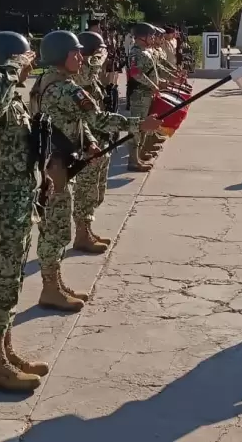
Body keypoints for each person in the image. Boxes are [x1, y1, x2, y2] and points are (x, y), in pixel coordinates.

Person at [30, 31, 162, 311]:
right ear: (59, 56)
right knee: (55, 231)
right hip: (57, 167)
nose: (81, 57)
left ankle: (55, 284)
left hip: (54, 160)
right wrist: (140, 124)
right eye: (74, 53)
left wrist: (88, 142)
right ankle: (50, 289)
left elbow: (76, 123)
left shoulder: (47, 81)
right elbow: (98, 117)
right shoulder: (66, 88)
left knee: (56, 226)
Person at [0, 31, 47, 392]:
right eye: (25, 58)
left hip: (17, 202)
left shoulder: (12, 99)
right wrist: (14, 64)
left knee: (12, 284)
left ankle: (5, 352)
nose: (31, 64)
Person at [72, 31, 115, 253]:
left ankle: (86, 228)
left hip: (98, 136)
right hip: (85, 140)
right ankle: (81, 233)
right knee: (85, 189)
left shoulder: (89, 70)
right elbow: (90, 73)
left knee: (96, 190)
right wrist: (100, 55)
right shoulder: (80, 72)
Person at [125, 22, 166, 171]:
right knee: (137, 127)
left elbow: (154, 70)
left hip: (147, 94)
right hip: (139, 95)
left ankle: (139, 156)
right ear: (143, 37)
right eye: (151, 35)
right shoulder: (136, 53)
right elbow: (136, 73)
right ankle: (133, 161)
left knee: (144, 127)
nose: (153, 38)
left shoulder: (146, 51)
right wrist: (153, 86)